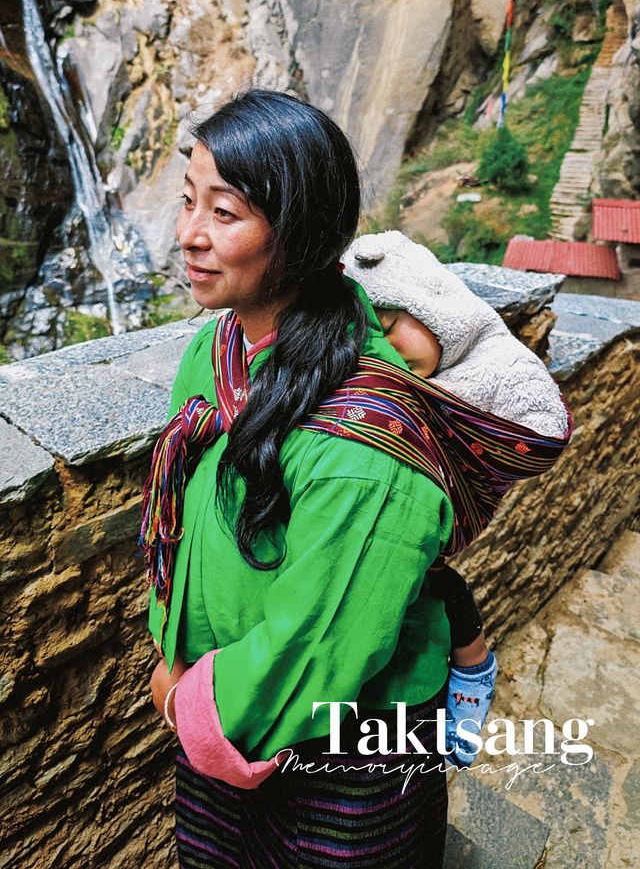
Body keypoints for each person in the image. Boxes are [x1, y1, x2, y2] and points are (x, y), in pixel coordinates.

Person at [141, 90, 459, 869]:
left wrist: (193, 702)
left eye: (225, 212)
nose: (190, 235)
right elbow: (184, 516)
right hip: (227, 698)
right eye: (189, 203)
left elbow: (319, 644)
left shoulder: (366, 440)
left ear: (298, 231)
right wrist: (171, 646)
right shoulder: (214, 353)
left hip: (342, 743)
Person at [344, 229, 570, 765]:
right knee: (426, 581)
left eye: (394, 326)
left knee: (436, 586)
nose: (386, 350)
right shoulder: (392, 371)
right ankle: (468, 666)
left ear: (433, 305)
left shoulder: (494, 360)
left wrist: (443, 412)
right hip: (410, 523)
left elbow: (543, 430)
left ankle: (473, 667)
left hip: (449, 509)